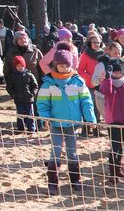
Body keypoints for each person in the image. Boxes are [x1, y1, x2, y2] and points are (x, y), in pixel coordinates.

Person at [36, 49, 96, 195]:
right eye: (61, 66)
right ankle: (53, 183)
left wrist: (90, 119)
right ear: (56, 65)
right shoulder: (48, 83)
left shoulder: (77, 81)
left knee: (72, 152)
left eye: (67, 65)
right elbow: (42, 103)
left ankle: (75, 180)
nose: (65, 68)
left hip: (72, 124)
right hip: (56, 124)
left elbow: (86, 102)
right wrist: (46, 118)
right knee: (55, 151)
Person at [77, 32, 105, 131]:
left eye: (98, 42)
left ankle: (96, 130)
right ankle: (85, 130)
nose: (96, 44)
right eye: (94, 42)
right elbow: (80, 70)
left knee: (98, 108)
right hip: (89, 85)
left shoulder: (103, 54)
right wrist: (90, 77)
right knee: (89, 106)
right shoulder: (85, 55)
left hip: (100, 85)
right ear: (90, 43)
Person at [6, 55, 39, 133]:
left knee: (30, 114)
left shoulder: (29, 75)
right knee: (20, 114)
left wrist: (32, 94)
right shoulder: (12, 76)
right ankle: (20, 128)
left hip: (29, 99)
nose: (20, 67)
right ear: (15, 67)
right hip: (18, 99)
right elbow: (9, 87)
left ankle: (31, 128)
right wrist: (13, 95)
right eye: (18, 66)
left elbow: (35, 86)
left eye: (22, 65)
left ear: (24, 65)